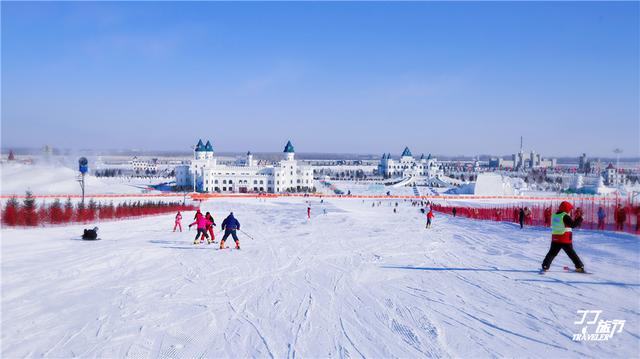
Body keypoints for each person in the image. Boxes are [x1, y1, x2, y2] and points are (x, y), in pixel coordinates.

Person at [541, 201, 585, 272]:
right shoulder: (564, 216)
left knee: (552, 253)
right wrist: (580, 218)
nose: (570, 210)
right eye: (569, 209)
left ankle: (545, 266)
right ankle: (579, 266)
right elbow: (572, 225)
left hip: (556, 238)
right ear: (566, 208)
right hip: (565, 238)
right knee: (571, 254)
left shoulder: (555, 215)